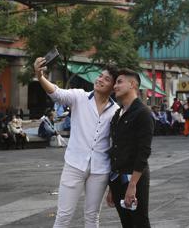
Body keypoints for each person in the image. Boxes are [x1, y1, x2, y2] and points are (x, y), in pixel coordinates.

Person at [34, 57, 119, 228]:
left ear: (113, 87)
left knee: (92, 216)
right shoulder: (79, 97)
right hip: (74, 165)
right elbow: (56, 93)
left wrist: (114, 183)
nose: (100, 79)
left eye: (106, 79)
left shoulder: (116, 111)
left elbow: (116, 144)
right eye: (100, 76)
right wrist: (40, 76)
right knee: (64, 215)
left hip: (100, 169)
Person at [106, 69, 154, 228]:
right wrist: (112, 187)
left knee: (139, 223)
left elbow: (144, 152)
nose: (115, 86)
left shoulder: (143, 113)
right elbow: (116, 148)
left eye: (119, 82)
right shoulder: (118, 113)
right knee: (126, 223)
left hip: (135, 179)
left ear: (132, 84)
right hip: (117, 179)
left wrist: (132, 185)